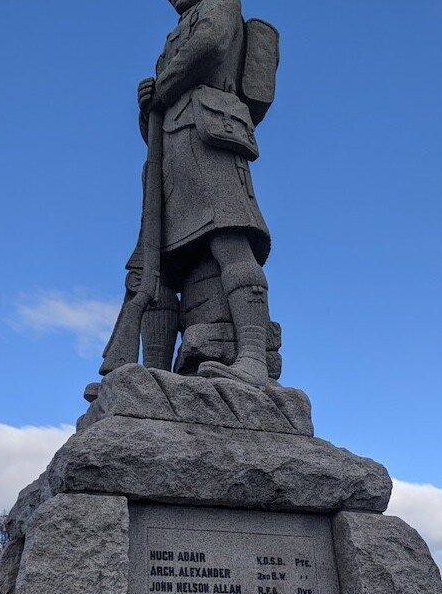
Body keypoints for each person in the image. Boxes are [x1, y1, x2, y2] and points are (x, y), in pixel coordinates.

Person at [103, 0, 277, 387]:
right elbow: (156, 127)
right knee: (159, 264)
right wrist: (147, 107)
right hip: (170, 157)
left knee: (229, 239)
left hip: (210, 137)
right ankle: (154, 375)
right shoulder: (174, 33)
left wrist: (162, 86)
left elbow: (210, 44)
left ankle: (252, 359)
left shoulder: (220, 4)